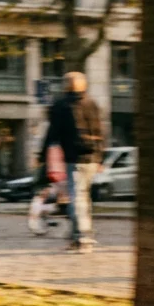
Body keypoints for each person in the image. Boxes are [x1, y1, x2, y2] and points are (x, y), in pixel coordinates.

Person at [41, 72, 104, 252]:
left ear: (66, 86)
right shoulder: (92, 103)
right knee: (83, 197)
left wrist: (41, 155)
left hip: (74, 157)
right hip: (91, 156)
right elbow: (101, 130)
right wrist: (101, 157)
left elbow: (52, 133)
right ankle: (78, 236)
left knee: (77, 198)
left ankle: (84, 237)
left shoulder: (60, 105)